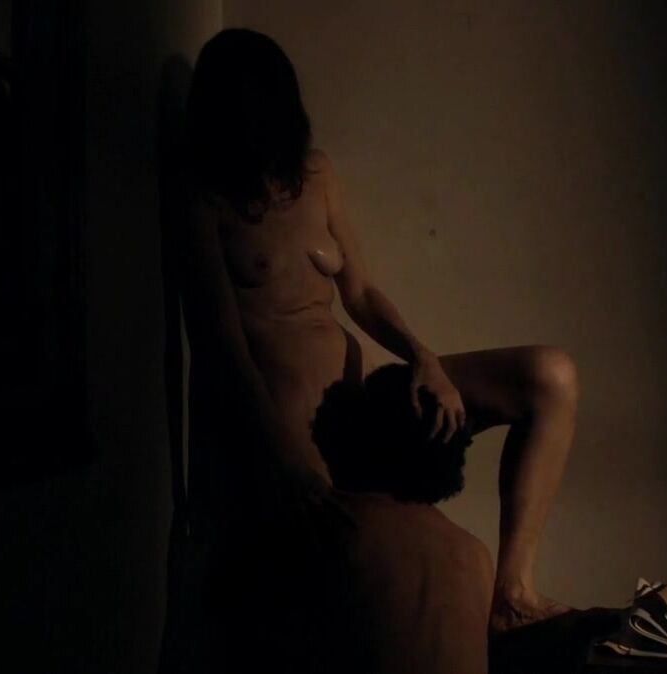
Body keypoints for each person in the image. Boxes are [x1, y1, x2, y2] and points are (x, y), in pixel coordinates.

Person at [176, 27, 580, 672]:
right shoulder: (204, 200)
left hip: (359, 404)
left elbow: (360, 292)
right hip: (294, 432)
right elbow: (219, 348)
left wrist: (424, 359)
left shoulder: (314, 175)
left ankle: (513, 594)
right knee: (388, 570)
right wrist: (280, 455)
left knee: (549, 376)